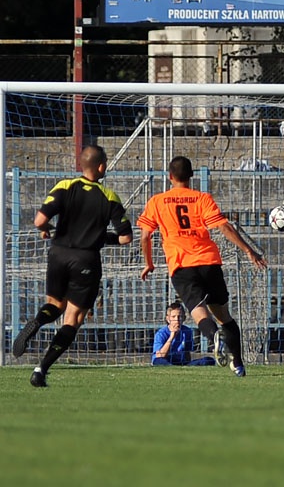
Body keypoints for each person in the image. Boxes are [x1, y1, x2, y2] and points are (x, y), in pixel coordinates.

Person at [13, 145, 134, 388]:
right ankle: (41, 369)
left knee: (54, 305)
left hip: (58, 255)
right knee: (73, 318)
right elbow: (125, 238)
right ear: (101, 167)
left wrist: (45, 230)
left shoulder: (64, 186)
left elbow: (39, 220)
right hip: (85, 260)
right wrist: (102, 238)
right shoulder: (109, 197)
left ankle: (36, 323)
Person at [137, 156, 267, 378]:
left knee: (199, 314)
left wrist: (149, 263)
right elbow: (224, 227)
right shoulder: (201, 198)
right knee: (224, 315)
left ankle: (214, 336)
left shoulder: (157, 201)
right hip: (209, 261)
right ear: (191, 176)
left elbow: (145, 236)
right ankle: (238, 364)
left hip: (181, 265)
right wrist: (248, 251)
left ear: (169, 177)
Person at [151, 302, 216, 366]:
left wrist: (188, 364)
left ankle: (180, 368)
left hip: (181, 362)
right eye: (173, 317)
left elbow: (187, 353)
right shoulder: (161, 333)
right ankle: (172, 368)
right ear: (168, 319)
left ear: (184, 318)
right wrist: (172, 336)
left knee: (209, 360)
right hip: (166, 360)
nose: (177, 320)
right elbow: (160, 355)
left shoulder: (187, 331)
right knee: (159, 361)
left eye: (179, 317)